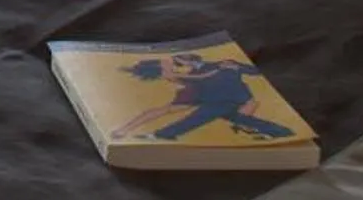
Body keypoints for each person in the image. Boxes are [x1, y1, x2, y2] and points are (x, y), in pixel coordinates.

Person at [107, 51, 296, 143]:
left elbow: (253, 71)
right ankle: (281, 131)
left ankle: (161, 134)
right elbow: (195, 78)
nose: (180, 64)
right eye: (179, 62)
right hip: (204, 95)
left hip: (217, 96)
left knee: (199, 117)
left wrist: (236, 66)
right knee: (234, 116)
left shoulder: (221, 65)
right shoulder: (188, 68)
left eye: (182, 62)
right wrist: (174, 73)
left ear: (191, 60)